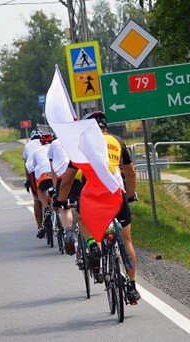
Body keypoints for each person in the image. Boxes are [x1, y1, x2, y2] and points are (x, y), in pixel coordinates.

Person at [53, 111, 141, 305]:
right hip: (116, 194)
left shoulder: (80, 147)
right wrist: (129, 195)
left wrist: (60, 200)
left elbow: (67, 180)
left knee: (82, 220)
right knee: (127, 241)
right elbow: (131, 173)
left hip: (93, 195)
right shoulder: (118, 142)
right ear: (105, 126)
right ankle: (133, 287)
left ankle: (93, 245)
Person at [48, 136, 83, 255]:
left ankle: (68, 231)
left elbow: (53, 170)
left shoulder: (54, 143)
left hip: (62, 178)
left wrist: (56, 189)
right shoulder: (79, 139)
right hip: (79, 176)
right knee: (84, 208)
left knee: (65, 208)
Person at [31, 132, 56, 238]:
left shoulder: (36, 150)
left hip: (43, 175)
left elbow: (34, 167)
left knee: (40, 190)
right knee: (58, 191)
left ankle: (45, 208)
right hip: (56, 174)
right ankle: (57, 211)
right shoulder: (57, 147)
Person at [23, 129, 43, 237]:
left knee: (36, 198)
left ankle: (40, 227)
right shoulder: (46, 143)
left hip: (33, 171)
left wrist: (27, 180)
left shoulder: (28, 145)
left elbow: (26, 163)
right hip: (48, 171)